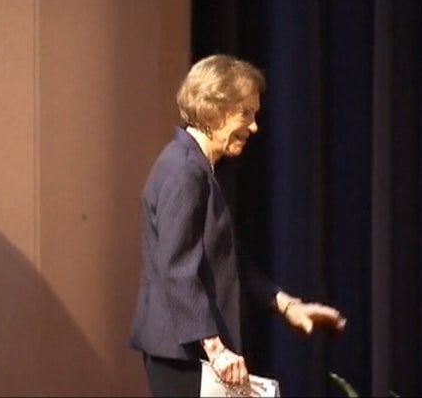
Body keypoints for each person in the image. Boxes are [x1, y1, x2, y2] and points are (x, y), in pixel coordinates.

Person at [128, 54, 347, 397]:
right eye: (246, 113)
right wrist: (215, 349)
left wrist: (288, 305)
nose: (254, 126)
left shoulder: (200, 169)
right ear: (213, 108)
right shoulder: (184, 171)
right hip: (182, 352)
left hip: (191, 348)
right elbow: (178, 269)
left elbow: (230, 262)